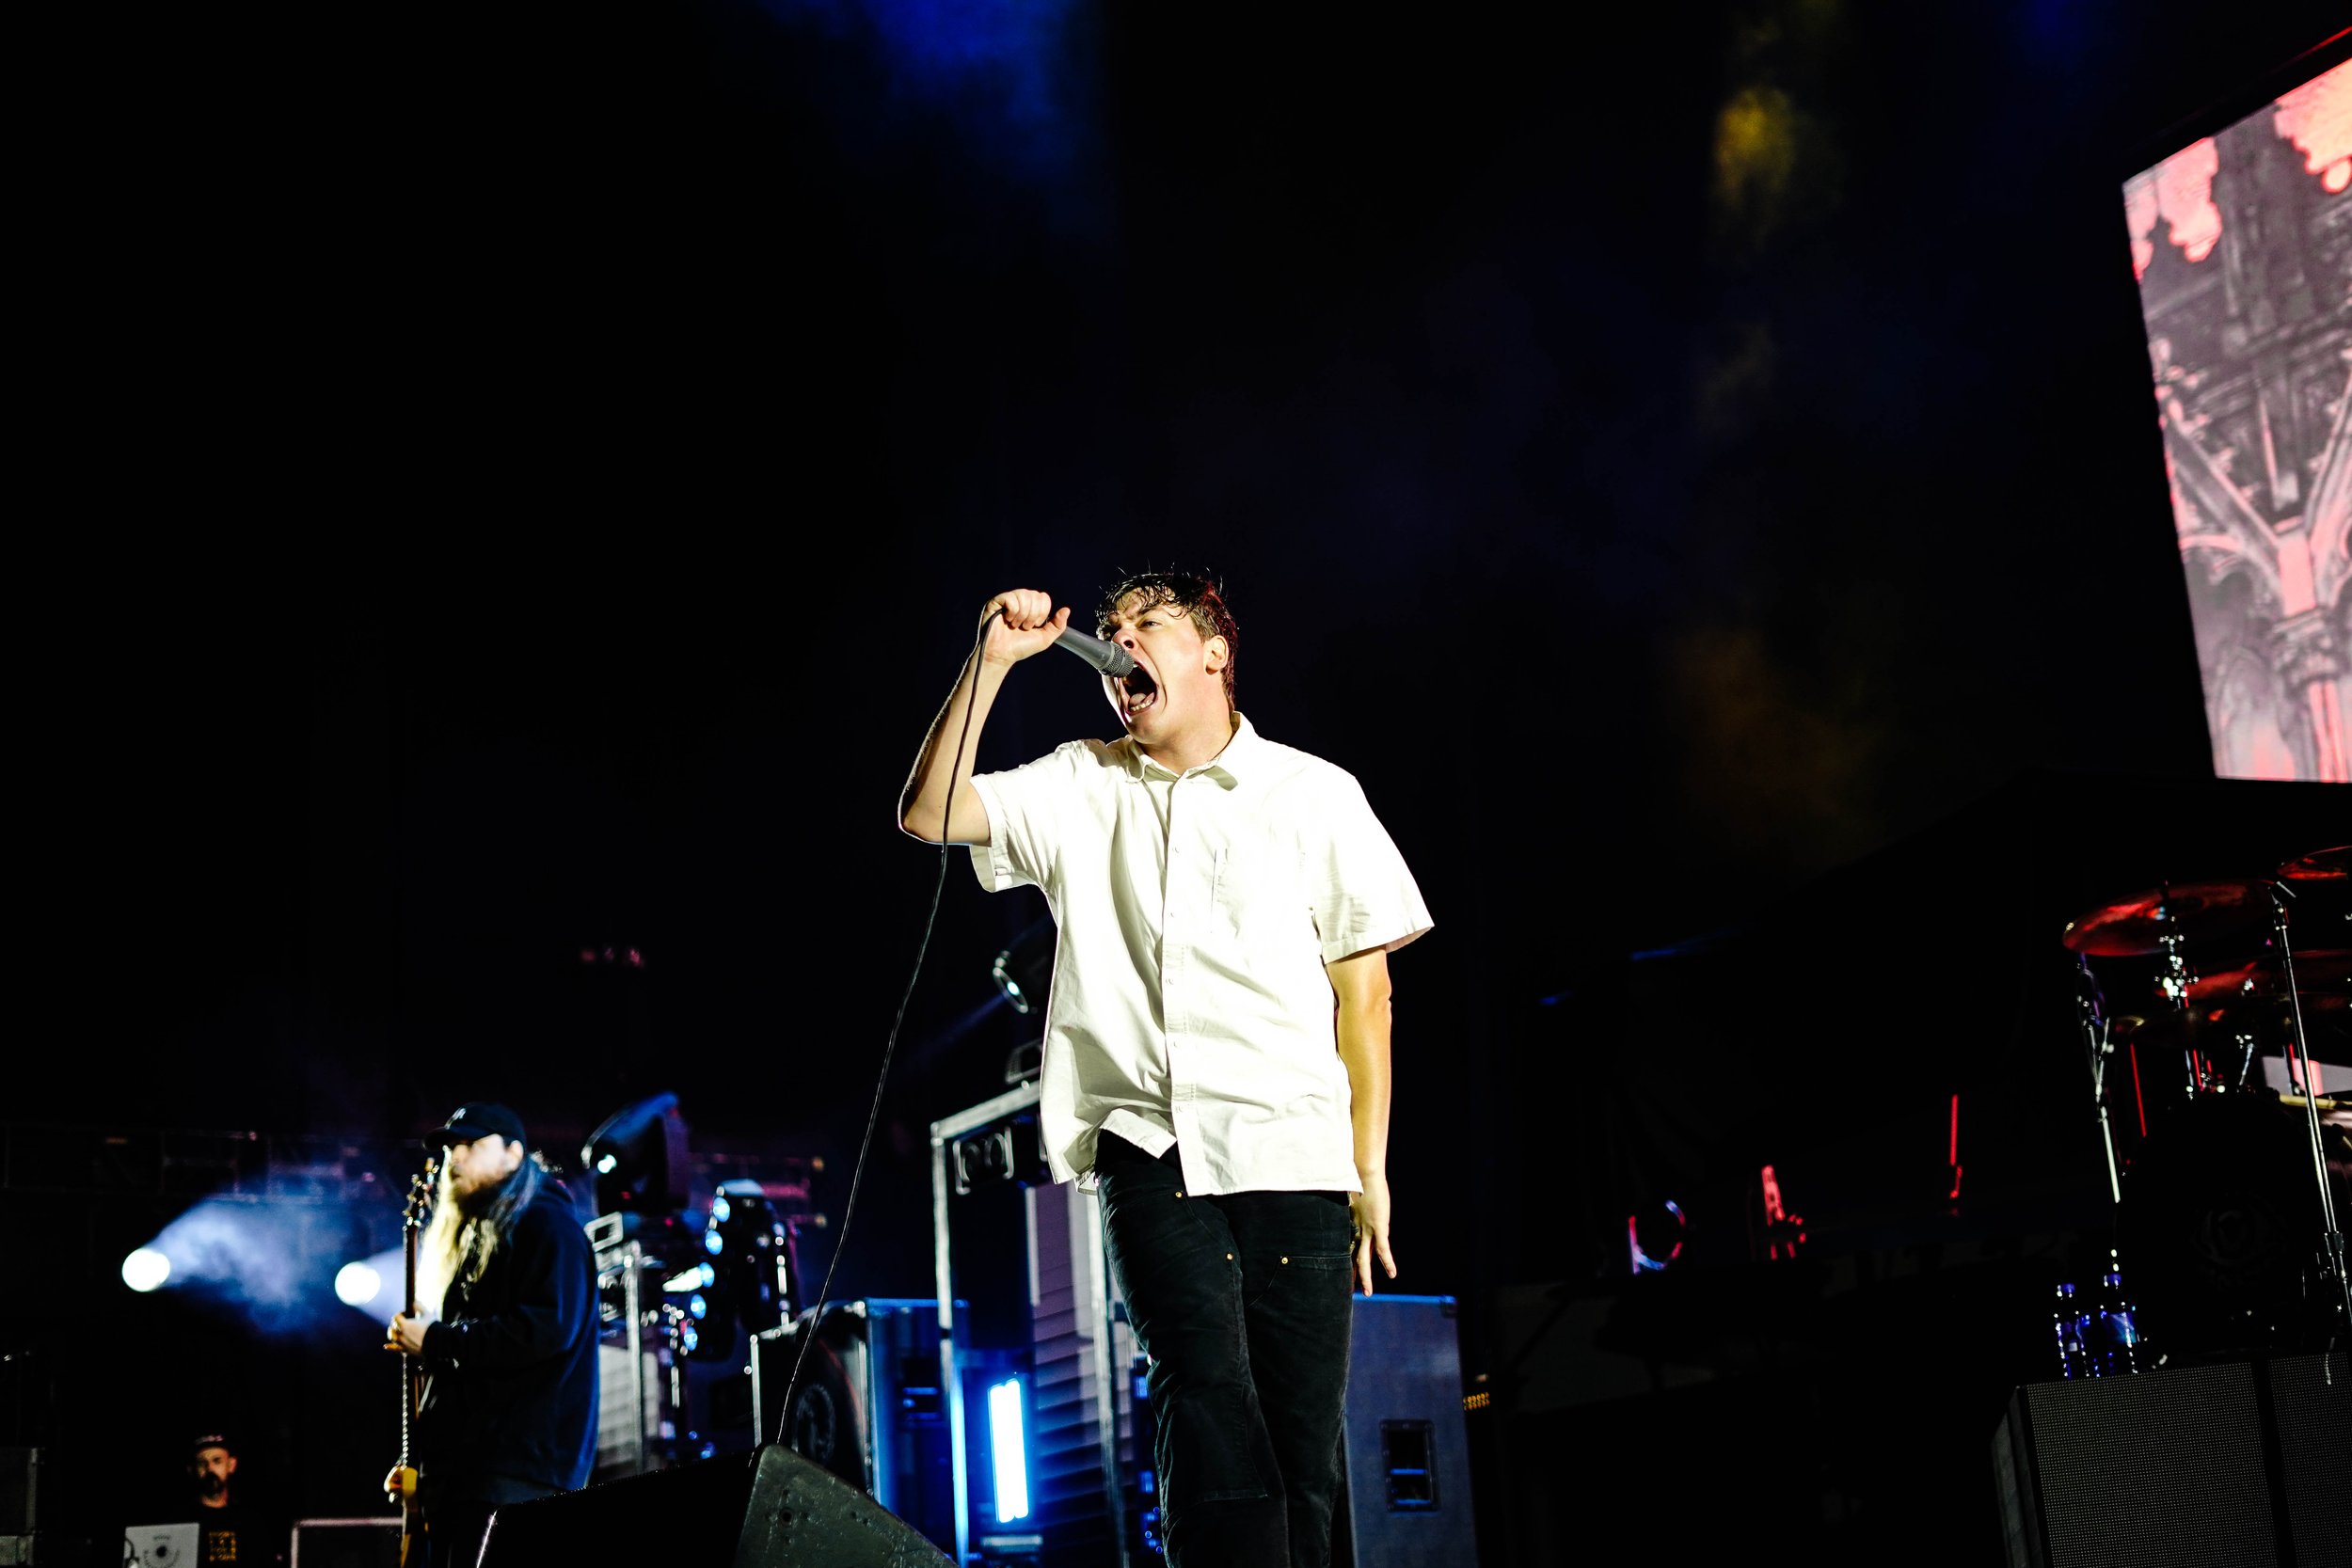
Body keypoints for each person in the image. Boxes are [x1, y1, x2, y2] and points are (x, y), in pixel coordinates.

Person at [898, 572, 1431, 1568]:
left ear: (1213, 653)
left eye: (1145, 626)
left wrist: (1371, 1168)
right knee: (1206, 1395)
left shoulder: (1314, 794)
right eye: (1108, 632)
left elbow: (1365, 997)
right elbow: (928, 814)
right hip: (1152, 1147)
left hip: (1295, 1150)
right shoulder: (1079, 781)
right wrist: (992, 662)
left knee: (1298, 1447)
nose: (1117, 644)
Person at [384, 1102, 598, 1568]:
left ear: (513, 1154)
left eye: (470, 1145)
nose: (454, 1158)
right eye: (450, 1149)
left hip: (514, 1474)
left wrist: (438, 1340)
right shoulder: (485, 1233)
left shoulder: (547, 1223)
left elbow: (545, 1329)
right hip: (468, 1475)